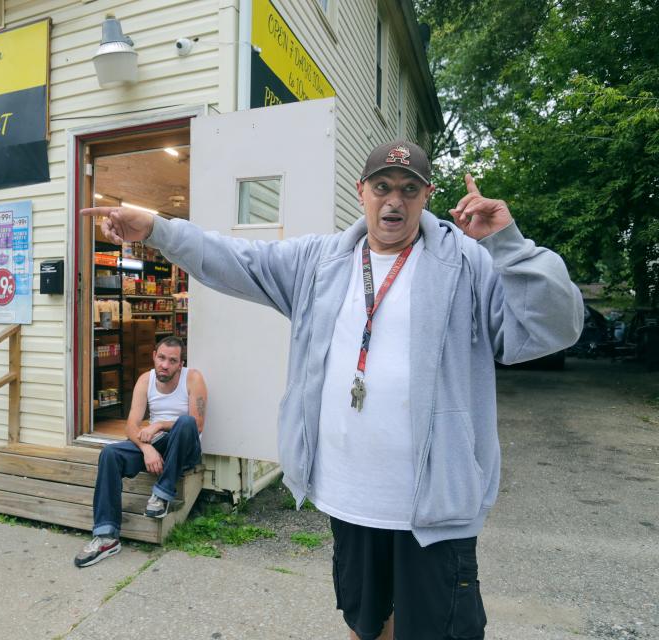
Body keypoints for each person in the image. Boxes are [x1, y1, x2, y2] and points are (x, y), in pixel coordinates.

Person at [81, 140, 583, 638]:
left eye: (410, 189)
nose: (395, 200)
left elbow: (551, 331)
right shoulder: (319, 262)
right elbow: (236, 259)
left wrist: (509, 245)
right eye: (383, 186)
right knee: (364, 625)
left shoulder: (468, 263)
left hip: (435, 506)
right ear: (361, 191)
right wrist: (158, 229)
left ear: (427, 195)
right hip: (353, 497)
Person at [74, 336, 207, 568]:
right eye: (162, 358)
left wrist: (158, 425)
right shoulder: (146, 379)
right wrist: (146, 449)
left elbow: (197, 424)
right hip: (156, 445)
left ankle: (162, 494)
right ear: (154, 355)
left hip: (183, 449)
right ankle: (106, 536)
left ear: (180, 364)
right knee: (110, 455)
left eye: (172, 361)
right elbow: (131, 426)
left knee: (185, 422)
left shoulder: (193, 378)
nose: (165, 364)